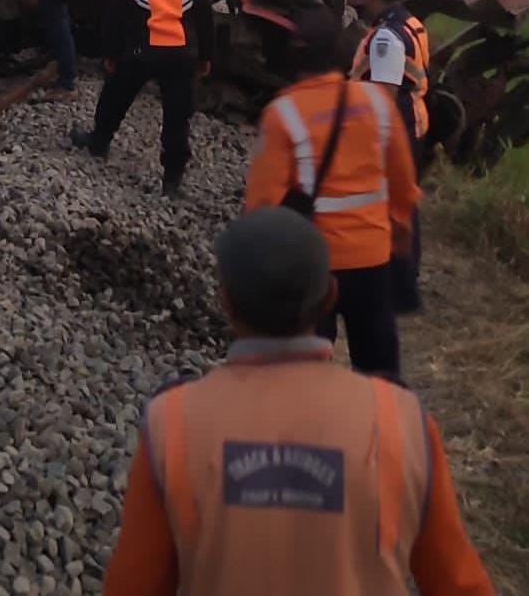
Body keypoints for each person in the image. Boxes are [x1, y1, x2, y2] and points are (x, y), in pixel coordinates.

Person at [103, 207, 496, 596]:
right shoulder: (403, 422)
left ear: (226, 302)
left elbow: (132, 585)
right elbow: (459, 584)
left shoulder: (171, 423)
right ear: (330, 297)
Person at [245, 8, 419, 375]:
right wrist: (401, 243)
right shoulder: (377, 103)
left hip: (313, 265)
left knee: (306, 374)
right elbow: (403, 188)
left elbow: (260, 206)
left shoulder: (282, 114)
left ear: (292, 57)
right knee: (379, 371)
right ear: (341, 52)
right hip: (372, 258)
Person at [71, 0, 214, 197]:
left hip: (140, 52)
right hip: (180, 56)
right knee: (177, 116)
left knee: (114, 97)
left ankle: (99, 142)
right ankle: (172, 178)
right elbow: (204, 19)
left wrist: (110, 53)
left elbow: (114, 17)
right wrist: (205, 57)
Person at [351, 0, 431, 313]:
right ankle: (403, 280)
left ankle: (400, 286)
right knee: (403, 201)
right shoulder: (411, 22)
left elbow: (383, 94)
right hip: (412, 121)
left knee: (395, 206)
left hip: (394, 127)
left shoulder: (386, 36)